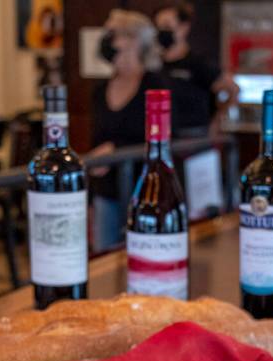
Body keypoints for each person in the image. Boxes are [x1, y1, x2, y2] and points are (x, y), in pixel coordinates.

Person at [89, 9, 176, 252]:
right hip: (107, 192)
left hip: (145, 192)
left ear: (133, 39)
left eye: (112, 34)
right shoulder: (100, 90)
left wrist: (118, 151)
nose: (107, 40)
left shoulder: (155, 85)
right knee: (104, 258)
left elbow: (167, 137)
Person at [153, 2, 238, 135]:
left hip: (194, 139)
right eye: (158, 27)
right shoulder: (154, 65)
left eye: (167, 26)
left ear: (183, 28)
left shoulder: (198, 63)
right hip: (165, 136)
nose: (161, 32)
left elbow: (233, 89)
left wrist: (216, 122)